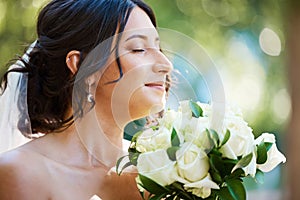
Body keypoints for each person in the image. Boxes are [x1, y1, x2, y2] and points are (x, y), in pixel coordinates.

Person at [0, 0, 173, 199]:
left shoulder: (165, 172)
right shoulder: (21, 174)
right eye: (138, 49)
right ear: (81, 66)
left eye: (158, 49)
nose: (165, 65)